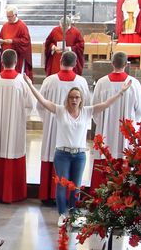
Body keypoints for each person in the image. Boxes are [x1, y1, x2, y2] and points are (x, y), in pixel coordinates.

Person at [23, 71, 133, 224]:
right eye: (71, 97)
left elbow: (106, 104)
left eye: (77, 97)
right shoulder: (60, 111)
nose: (74, 100)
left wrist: (121, 92)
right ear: (67, 99)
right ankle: (62, 214)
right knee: (62, 186)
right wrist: (29, 85)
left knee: (76, 187)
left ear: (81, 99)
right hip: (62, 154)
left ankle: (73, 215)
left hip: (79, 155)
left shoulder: (86, 112)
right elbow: (42, 101)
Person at [35, 50, 91, 204]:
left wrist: (47, 120)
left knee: (51, 155)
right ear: (75, 64)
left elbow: (40, 104)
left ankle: (48, 195)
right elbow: (86, 106)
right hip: (73, 131)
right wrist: (80, 124)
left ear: (60, 62)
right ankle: (70, 201)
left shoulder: (49, 81)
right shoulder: (81, 82)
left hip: (53, 125)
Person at [0, 49, 33, 204]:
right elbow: (30, 105)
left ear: (2, 62)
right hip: (15, 126)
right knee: (13, 151)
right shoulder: (21, 81)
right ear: (16, 62)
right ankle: (13, 194)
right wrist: (20, 116)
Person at [89, 51, 141, 187]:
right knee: (124, 157)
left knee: (104, 159)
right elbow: (140, 111)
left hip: (105, 131)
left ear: (112, 63)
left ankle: (100, 195)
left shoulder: (101, 83)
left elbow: (95, 109)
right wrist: (130, 123)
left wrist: (102, 123)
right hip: (125, 133)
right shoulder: (134, 83)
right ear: (126, 64)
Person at [0, 6, 33, 78]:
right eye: (7, 16)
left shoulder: (22, 26)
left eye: (10, 16)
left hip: (17, 56)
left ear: (15, 15)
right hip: (5, 55)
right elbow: (0, 36)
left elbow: (26, 41)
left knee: (16, 77)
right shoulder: (5, 25)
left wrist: (13, 41)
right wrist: (0, 41)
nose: (8, 18)